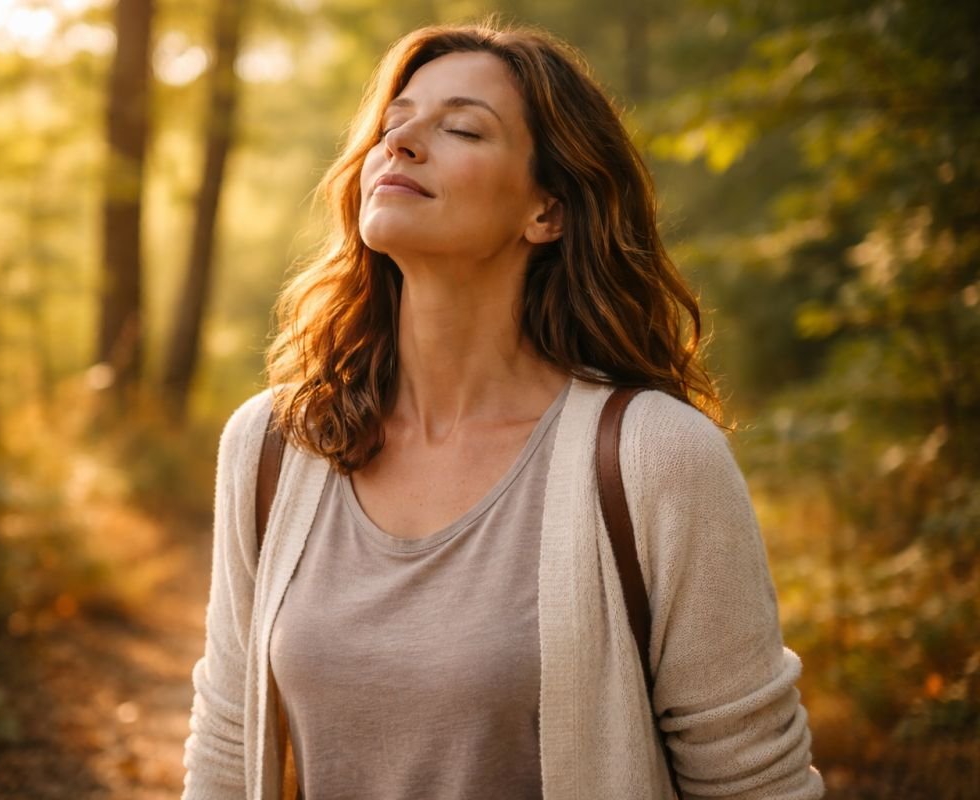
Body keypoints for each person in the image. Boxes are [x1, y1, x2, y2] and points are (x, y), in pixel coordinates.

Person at [182, 20, 824, 800]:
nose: (401, 143)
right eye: (392, 124)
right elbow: (228, 740)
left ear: (547, 211)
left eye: (461, 129)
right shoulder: (276, 443)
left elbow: (754, 781)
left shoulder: (657, 457)